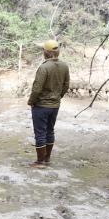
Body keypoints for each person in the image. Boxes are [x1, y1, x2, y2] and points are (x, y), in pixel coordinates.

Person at [27, 39, 70, 168]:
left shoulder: (44, 67)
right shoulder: (64, 66)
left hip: (41, 106)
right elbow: (66, 85)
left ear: (46, 52)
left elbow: (37, 88)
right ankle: (47, 159)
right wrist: (58, 97)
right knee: (50, 131)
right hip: (55, 105)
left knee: (40, 133)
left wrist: (31, 101)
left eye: (43, 49)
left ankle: (40, 162)